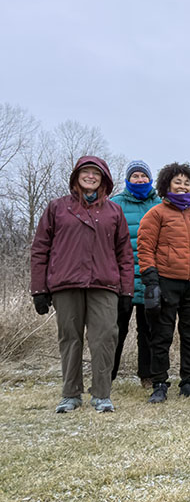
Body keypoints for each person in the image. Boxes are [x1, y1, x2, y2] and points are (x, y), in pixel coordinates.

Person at [30, 156, 133, 413]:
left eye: (95, 173)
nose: (90, 176)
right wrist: (39, 289)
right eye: (85, 172)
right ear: (76, 177)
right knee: (70, 339)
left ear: (104, 179)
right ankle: (70, 394)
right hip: (66, 283)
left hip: (104, 284)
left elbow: (124, 254)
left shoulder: (113, 211)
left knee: (105, 338)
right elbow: (40, 249)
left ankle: (101, 394)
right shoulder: (57, 208)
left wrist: (127, 291)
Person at [138, 162, 190, 403]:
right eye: (178, 182)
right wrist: (151, 282)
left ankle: (188, 382)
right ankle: (159, 384)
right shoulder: (156, 214)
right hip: (166, 282)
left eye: (187, 183)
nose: (183, 186)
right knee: (161, 336)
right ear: (167, 185)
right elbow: (145, 249)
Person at [109, 160, 160, 388]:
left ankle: (147, 375)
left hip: (151, 277)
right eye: (135, 176)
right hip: (123, 279)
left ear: (150, 179)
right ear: (127, 180)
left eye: (143, 176)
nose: (140, 180)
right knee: (115, 330)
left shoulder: (160, 204)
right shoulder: (114, 204)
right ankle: (106, 376)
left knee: (148, 331)